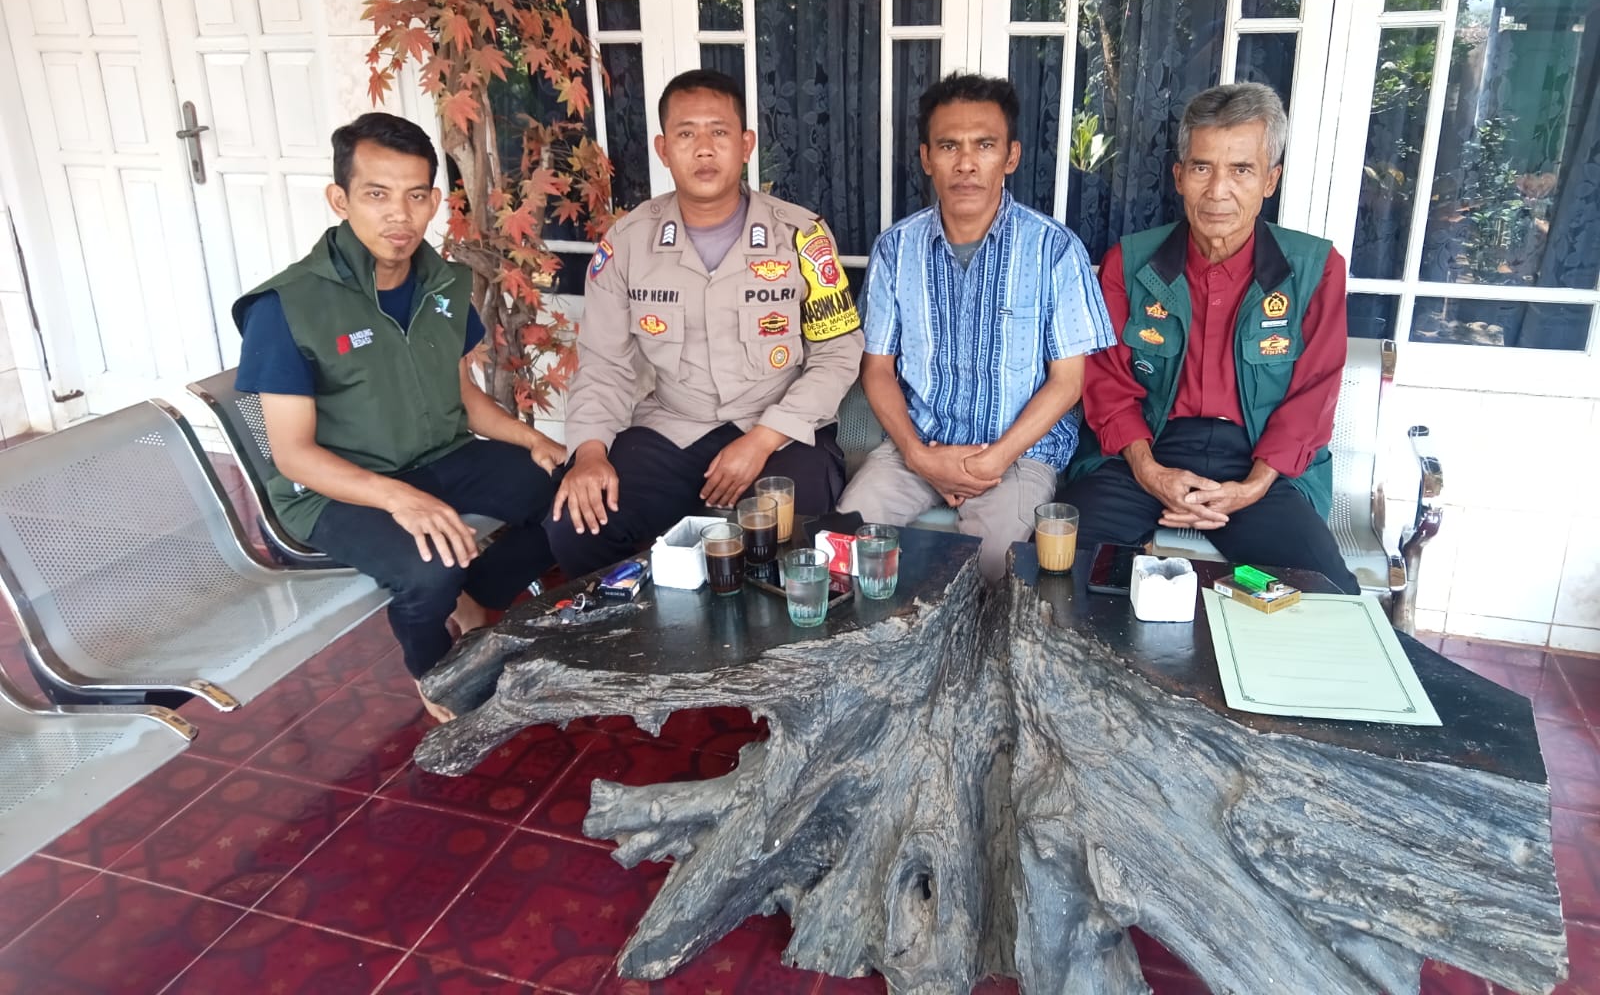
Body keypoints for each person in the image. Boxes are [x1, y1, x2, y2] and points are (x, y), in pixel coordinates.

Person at [233, 112, 562, 722]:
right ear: (340, 199)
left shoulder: (445, 282)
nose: (399, 216)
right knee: (430, 566)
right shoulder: (285, 307)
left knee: (571, 497)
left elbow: (462, 395)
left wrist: (531, 439)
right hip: (333, 490)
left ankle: (475, 594)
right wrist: (398, 500)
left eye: (415, 196)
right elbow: (293, 456)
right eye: (377, 195)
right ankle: (433, 666)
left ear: (434, 201)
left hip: (437, 456)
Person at [547, 69, 864, 576]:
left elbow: (838, 352)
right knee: (578, 523)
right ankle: (645, 622)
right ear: (662, 149)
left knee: (788, 540)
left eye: (719, 132)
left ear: (746, 144)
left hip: (780, 429)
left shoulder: (802, 236)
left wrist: (763, 438)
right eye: (686, 133)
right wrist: (588, 453)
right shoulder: (627, 244)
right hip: (674, 426)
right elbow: (604, 365)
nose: (703, 149)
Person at [1060, 82, 1361, 594]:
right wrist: (1151, 473)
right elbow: (1107, 384)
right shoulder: (1129, 263)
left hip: (1259, 462)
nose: (1218, 190)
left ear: (1270, 180)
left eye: (1241, 170)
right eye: (1202, 168)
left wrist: (1251, 488)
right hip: (1146, 451)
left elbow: (1313, 397)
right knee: (1057, 571)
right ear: (1179, 176)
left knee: (1326, 597)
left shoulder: (1315, 270)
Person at [836, 73, 1115, 583]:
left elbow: (1068, 382)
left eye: (984, 145)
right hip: (917, 444)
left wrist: (995, 460)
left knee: (993, 574)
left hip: (1018, 454)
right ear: (927, 158)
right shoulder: (896, 249)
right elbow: (877, 369)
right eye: (949, 146)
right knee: (847, 549)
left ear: (1010, 156)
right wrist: (918, 455)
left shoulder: (1053, 249)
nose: (966, 163)